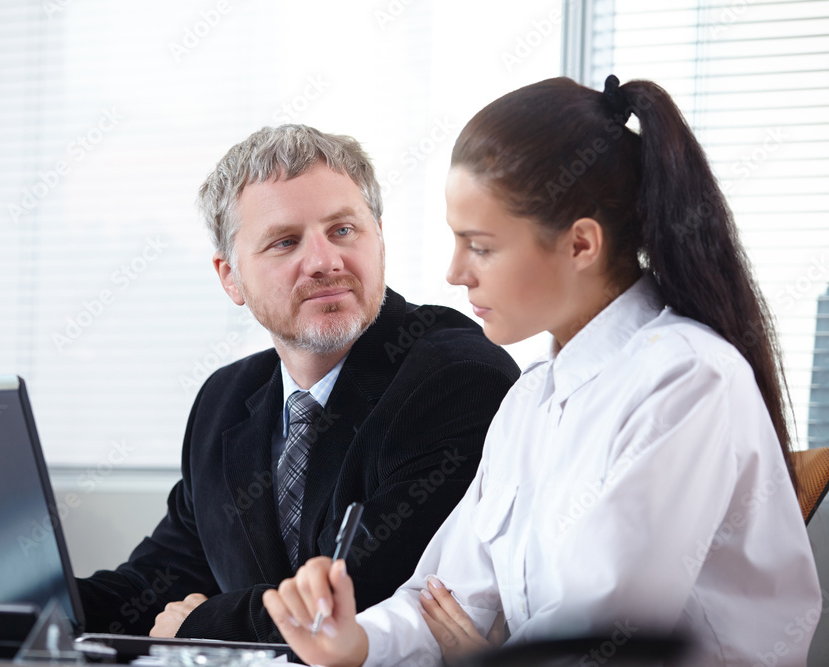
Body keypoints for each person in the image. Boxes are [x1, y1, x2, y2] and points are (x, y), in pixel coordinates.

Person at [262, 76, 822, 666]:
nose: (456, 273)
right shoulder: (530, 400)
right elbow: (442, 600)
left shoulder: (688, 380)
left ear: (581, 244)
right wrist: (354, 642)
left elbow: (606, 637)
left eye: (479, 246)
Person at [75, 125, 521, 643]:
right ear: (230, 278)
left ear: (379, 235)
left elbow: (361, 605)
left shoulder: (456, 377)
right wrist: (17, 604)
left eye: (343, 231)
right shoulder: (225, 400)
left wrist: (201, 626)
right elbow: (157, 582)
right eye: (285, 242)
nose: (324, 261)